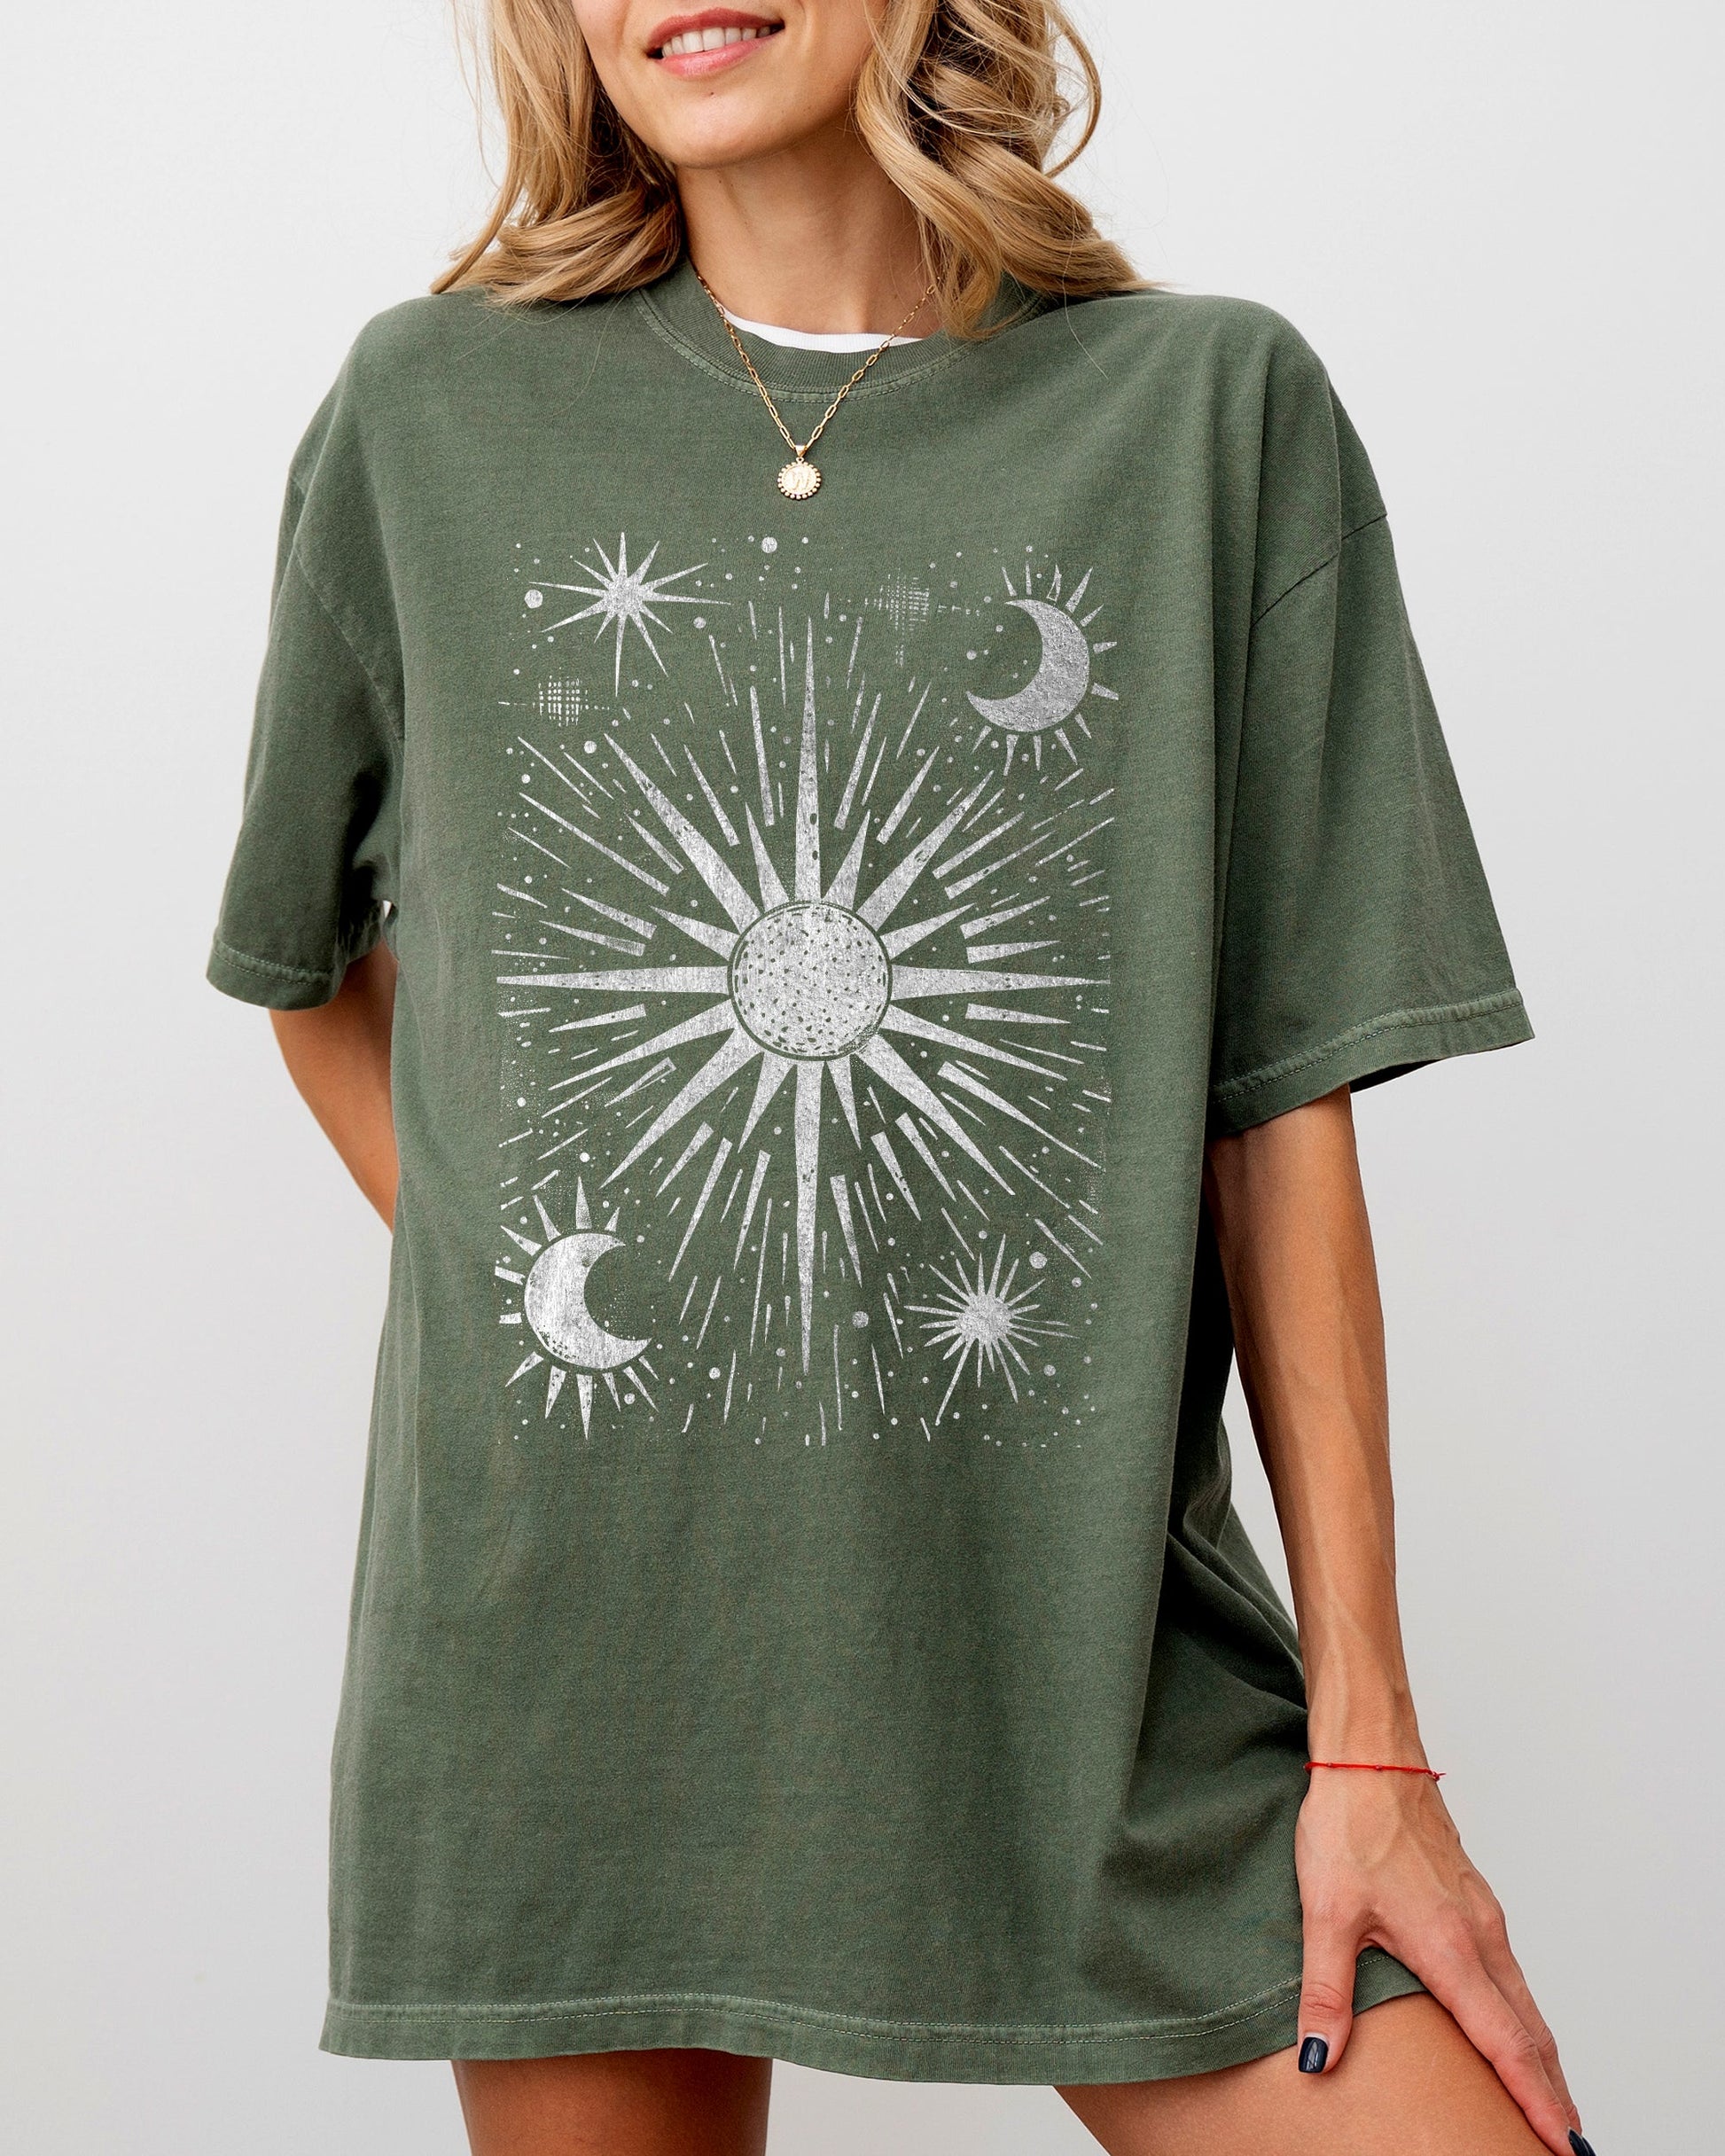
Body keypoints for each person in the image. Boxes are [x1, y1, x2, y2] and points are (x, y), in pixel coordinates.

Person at [207, 4, 1596, 2152]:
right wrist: (546, 1282)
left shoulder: (1204, 414)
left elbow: (1279, 1112)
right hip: (575, 1665)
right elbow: (308, 969)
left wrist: (1367, 1745)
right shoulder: (429, 414)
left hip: (1087, 1669)